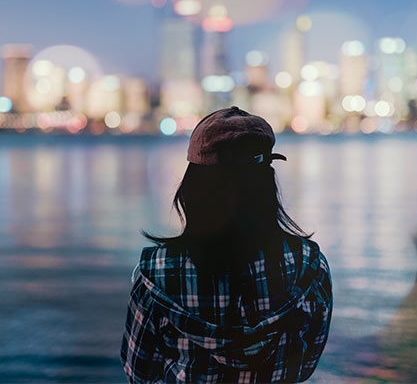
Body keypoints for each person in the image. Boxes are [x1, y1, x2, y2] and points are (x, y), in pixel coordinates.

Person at [120, 107, 332, 383]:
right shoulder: (309, 265)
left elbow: (139, 373)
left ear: (193, 187)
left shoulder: (155, 272)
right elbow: (305, 364)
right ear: (267, 183)